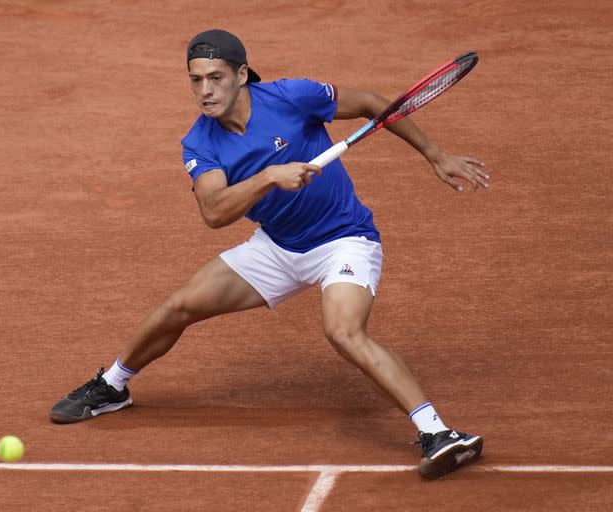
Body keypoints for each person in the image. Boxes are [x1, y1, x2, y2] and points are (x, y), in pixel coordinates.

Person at [49, 29, 488, 480]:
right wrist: (267, 177)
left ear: (242, 74)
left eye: (215, 78)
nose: (205, 91)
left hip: (344, 240)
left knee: (343, 331)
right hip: (278, 248)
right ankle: (113, 386)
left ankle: (438, 433)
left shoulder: (292, 97)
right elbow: (214, 212)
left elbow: (377, 104)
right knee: (177, 307)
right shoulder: (200, 143)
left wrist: (435, 154)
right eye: (195, 80)